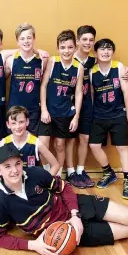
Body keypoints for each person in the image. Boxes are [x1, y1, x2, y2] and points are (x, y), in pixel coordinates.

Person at [0, 144, 128, 255]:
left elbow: (64, 187)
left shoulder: (35, 173)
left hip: (76, 206)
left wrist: (75, 215)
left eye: (17, 163)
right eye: (7, 166)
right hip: (63, 231)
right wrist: (33, 245)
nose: (14, 170)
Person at [89, 39, 128, 199]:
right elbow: (92, 96)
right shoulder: (92, 72)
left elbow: (126, 92)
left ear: (112, 52)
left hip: (118, 114)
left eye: (109, 49)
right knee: (94, 145)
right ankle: (108, 172)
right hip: (99, 115)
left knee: (122, 148)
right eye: (102, 49)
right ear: (96, 53)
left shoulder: (119, 67)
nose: (106, 52)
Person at [39, 30, 84, 177]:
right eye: (63, 47)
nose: (66, 51)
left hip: (65, 113)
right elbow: (43, 85)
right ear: (58, 48)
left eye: (70, 47)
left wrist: (76, 117)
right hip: (49, 111)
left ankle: (57, 176)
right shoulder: (53, 61)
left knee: (60, 145)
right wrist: (44, 109)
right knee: (43, 145)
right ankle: (47, 173)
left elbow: (78, 93)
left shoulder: (79, 68)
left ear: (75, 48)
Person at [65, 25, 97, 188]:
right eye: (84, 39)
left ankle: (80, 171)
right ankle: (70, 172)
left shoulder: (95, 60)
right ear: (77, 41)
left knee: (84, 138)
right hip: (69, 105)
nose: (88, 43)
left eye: (91, 40)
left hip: (87, 105)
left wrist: (125, 69)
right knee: (70, 139)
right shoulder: (69, 57)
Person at [6, 23, 49, 136]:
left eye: (29, 38)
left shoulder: (42, 60)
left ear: (34, 39)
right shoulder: (11, 60)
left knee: (31, 144)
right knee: (14, 146)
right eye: (22, 38)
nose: (26, 41)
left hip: (33, 109)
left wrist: (37, 51)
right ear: (18, 42)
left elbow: (43, 82)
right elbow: (2, 79)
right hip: (14, 109)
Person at [0, 105, 59, 175]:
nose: (18, 126)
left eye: (21, 122)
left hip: (31, 184)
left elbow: (55, 165)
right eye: (13, 123)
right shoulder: (3, 143)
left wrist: (46, 182)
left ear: (27, 121)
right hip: (12, 183)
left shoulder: (36, 143)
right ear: (8, 124)